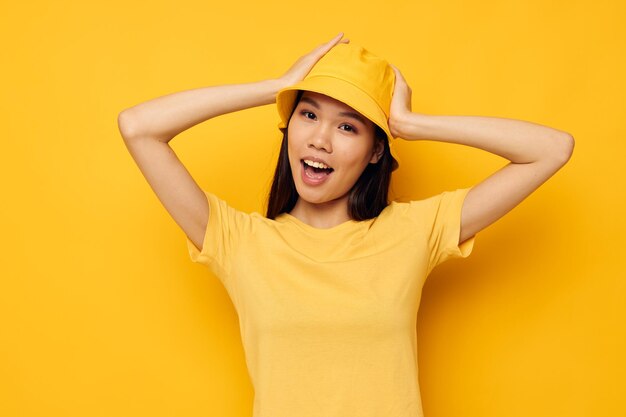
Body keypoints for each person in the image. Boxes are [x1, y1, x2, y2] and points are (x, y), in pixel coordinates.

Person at [118, 32, 574, 417]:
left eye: (348, 127)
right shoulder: (238, 241)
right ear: (289, 125)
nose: (320, 139)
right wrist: (274, 87)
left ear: (376, 151)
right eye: (308, 114)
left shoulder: (415, 231)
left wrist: (412, 124)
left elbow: (551, 148)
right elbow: (138, 126)